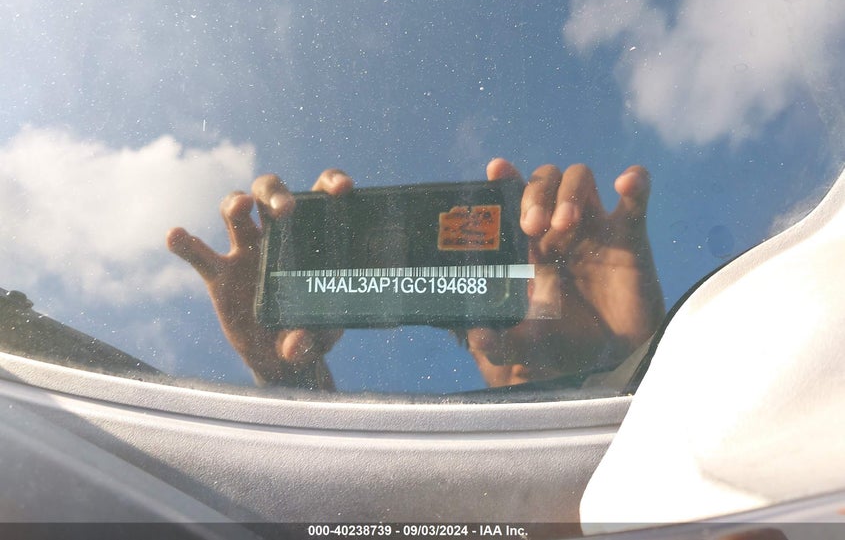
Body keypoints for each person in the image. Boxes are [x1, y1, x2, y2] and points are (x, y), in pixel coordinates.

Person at [166, 158, 664, 390]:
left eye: (510, 302)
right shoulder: (433, 463)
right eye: (478, 325)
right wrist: (286, 380)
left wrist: (638, 361)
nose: (523, 337)